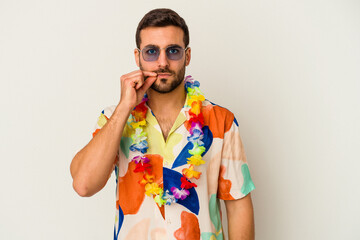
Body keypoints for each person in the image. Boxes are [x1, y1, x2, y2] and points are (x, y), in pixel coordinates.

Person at [70, 8, 255, 240]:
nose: (162, 62)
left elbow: (238, 205)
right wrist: (124, 108)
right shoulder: (114, 118)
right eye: (151, 52)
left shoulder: (221, 121)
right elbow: (83, 185)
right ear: (137, 57)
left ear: (187, 56)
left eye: (173, 51)